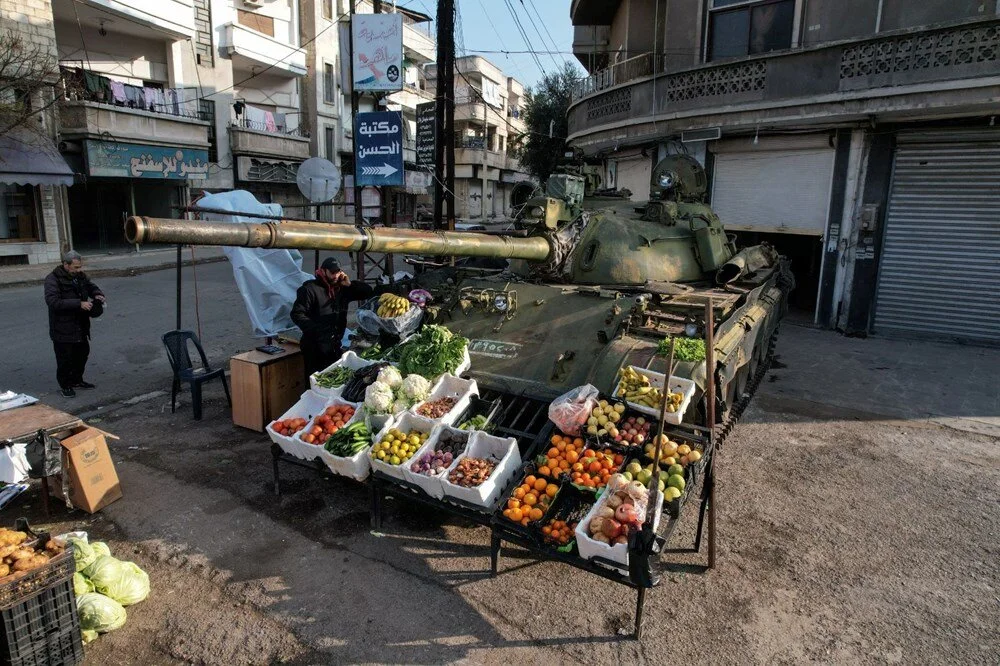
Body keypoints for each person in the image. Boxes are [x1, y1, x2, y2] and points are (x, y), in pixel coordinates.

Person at [291, 258, 374, 380]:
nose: (336, 275)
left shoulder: (342, 288)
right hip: (314, 347)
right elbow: (297, 314)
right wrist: (317, 330)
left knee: (331, 380)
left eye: (338, 272)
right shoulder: (309, 289)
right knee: (315, 382)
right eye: (332, 272)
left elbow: (368, 292)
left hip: (334, 346)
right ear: (323, 271)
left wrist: (350, 285)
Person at [44, 251, 105, 397]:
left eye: (80, 267)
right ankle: (65, 385)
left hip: (80, 325)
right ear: (66, 264)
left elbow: (90, 286)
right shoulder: (52, 279)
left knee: (82, 354)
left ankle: (77, 380)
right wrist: (79, 304)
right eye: (76, 267)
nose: (79, 270)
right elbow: (53, 302)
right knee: (65, 359)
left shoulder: (80, 276)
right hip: (62, 328)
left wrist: (97, 293)